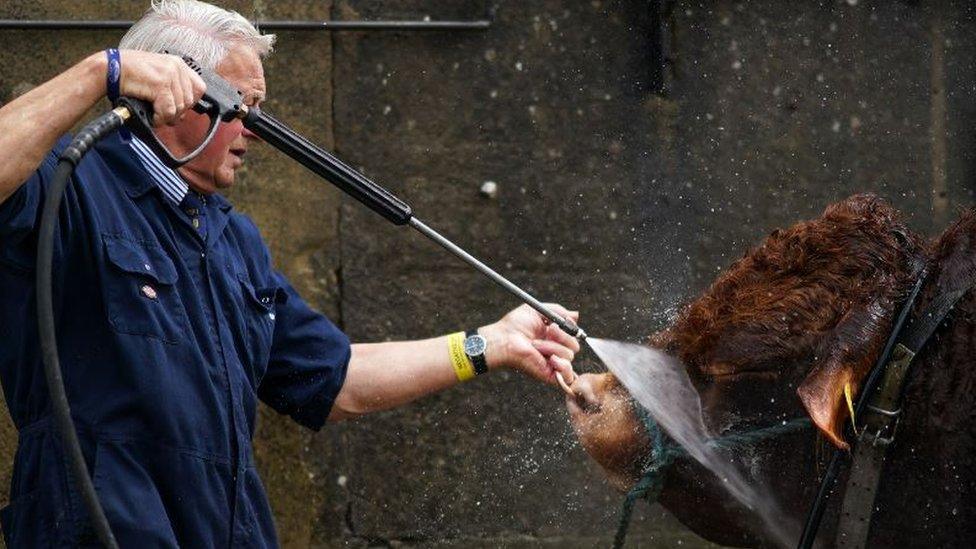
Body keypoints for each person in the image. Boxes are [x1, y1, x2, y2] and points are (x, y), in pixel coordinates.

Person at [0, 1, 580, 546]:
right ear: (171, 92)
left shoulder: (233, 241)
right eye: (240, 108)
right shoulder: (69, 185)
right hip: (104, 526)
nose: (254, 130)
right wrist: (100, 71)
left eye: (259, 111)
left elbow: (340, 381)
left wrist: (489, 345)